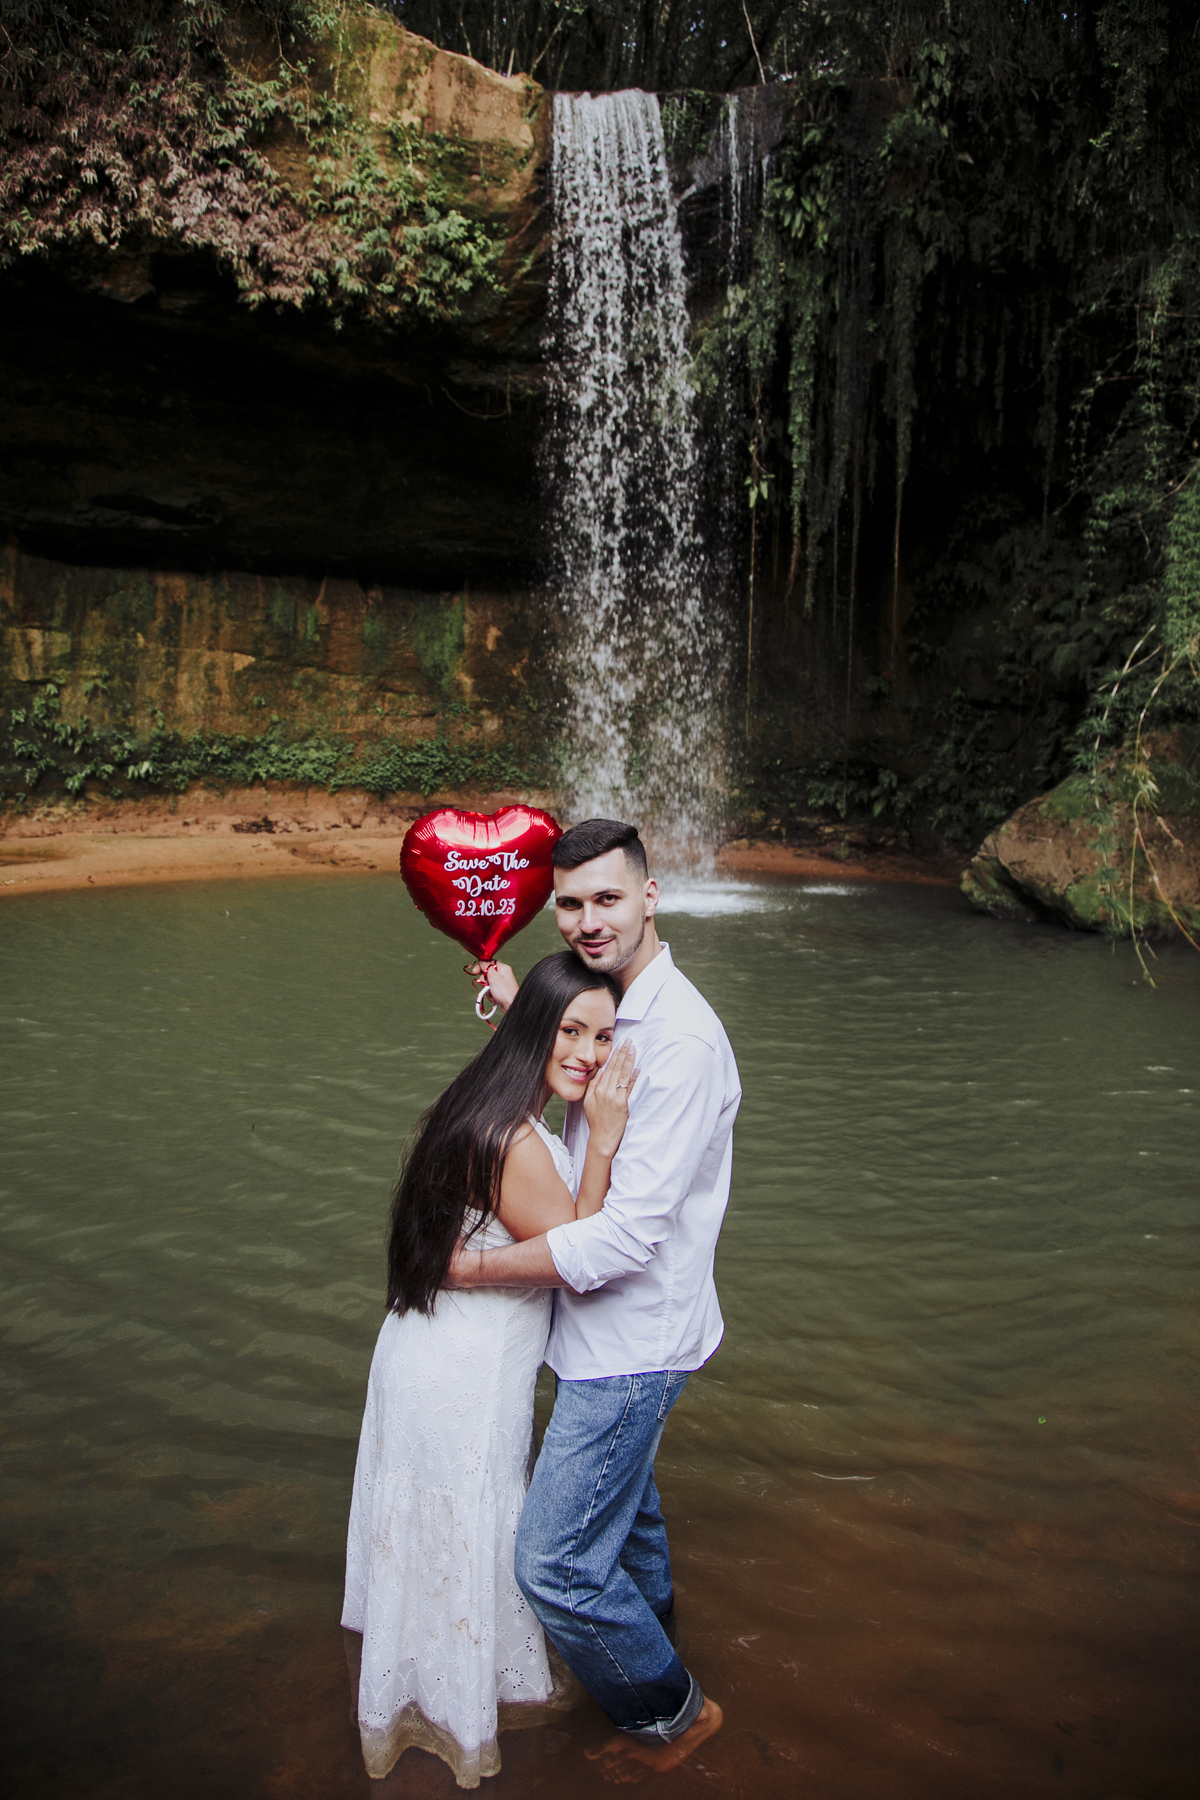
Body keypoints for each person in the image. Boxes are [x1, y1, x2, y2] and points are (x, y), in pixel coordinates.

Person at [455, 818, 741, 1783]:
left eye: (608, 899)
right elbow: (582, 1087)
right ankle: (650, 1651)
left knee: (555, 1563)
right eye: (570, 903)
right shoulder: (611, 1004)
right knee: (631, 1524)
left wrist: (472, 1269)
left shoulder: (681, 1043)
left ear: (651, 896)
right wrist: (524, 1014)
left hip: (630, 1344)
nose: (586, 921)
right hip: (599, 1335)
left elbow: (623, 1238)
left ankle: (672, 1713)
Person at [341, 951, 640, 1789]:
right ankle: (456, 1712)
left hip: (426, 1348)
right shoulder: (514, 1139)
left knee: (440, 1518)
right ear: (534, 1030)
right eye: (570, 1032)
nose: (588, 1054)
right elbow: (576, 1249)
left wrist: (526, 1010)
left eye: (604, 1037)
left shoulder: (485, 1099)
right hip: (464, 1368)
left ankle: (422, 1687)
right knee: (471, 1516)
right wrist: (604, 1140)